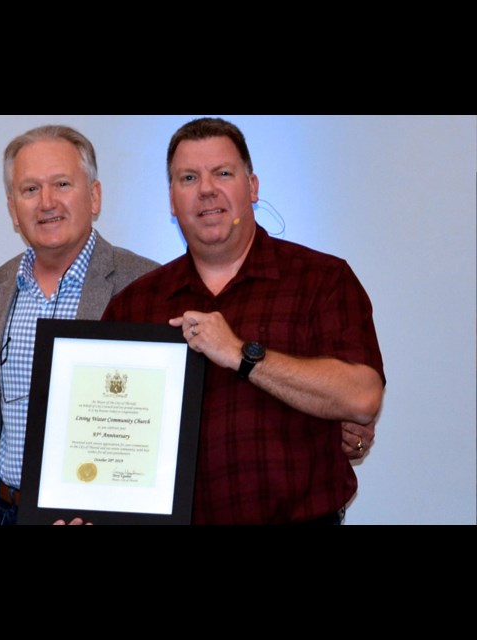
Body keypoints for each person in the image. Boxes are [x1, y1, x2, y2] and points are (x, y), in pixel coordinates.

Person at [102, 117, 385, 524]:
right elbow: (107, 427)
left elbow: (362, 397)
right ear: (171, 199)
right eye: (188, 177)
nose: (206, 190)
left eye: (222, 173)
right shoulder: (134, 305)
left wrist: (241, 354)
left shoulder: (322, 279)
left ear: (251, 187)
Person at [0, 125, 160, 525]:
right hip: (5, 509)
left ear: (94, 196)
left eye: (61, 184)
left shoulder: (144, 284)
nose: (47, 203)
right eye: (30, 190)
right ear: (12, 207)